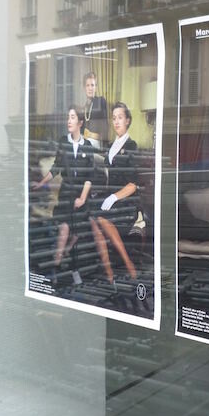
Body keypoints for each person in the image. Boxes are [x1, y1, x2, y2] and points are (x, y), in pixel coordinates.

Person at [31, 106, 94, 286]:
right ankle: (58, 269)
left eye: (73, 117)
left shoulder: (87, 146)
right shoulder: (63, 142)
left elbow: (89, 176)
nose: (69, 121)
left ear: (80, 122)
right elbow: (56, 168)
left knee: (78, 232)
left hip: (82, 195)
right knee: (66, 228)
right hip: (66, 193)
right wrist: (41, 183)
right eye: (68, 117)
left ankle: (66, 258)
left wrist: (82, 199)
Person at [90, 102, 139, 285]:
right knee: (93, 219)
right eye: (114, 118)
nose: (116, 121)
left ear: (127, 120)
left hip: (126, 202)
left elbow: (133, 184)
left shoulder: (132, 145)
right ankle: (109, 271)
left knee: (100, 219)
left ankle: (128, 264)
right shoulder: (111, 146)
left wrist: (113, 197)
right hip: (111, 201)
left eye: (120, 117)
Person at [83, 71, 108, 148]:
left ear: (96, 87)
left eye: (92, 85)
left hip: (96, 144)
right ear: (84, 88)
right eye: (88, 85)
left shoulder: (100, 101)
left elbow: (104, 130)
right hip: (85, 142)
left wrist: (90, 134)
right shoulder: (85, 106)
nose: (90, 88)